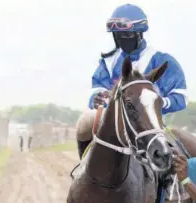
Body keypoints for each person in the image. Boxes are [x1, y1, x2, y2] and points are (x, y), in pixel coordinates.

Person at [76, 3, 188, 159]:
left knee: (172, 156)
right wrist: (98, 97)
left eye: (127, 35)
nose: (122, 39)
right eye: (118, 35)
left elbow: (181, 98)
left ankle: (170, 182)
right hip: (112, 123)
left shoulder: (161, 60)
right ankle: (83, 167)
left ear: (139, 34)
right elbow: (97, 86)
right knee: (84, 122)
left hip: (151, 124)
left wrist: (156, 103)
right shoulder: (108, 62)